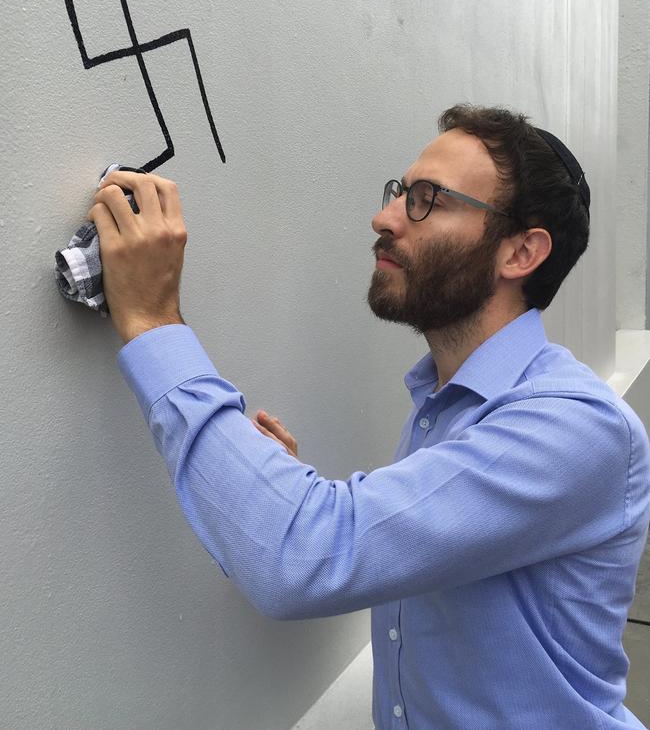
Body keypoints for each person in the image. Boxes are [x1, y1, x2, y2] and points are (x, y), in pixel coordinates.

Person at [87, 104, 650, 730]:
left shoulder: (575, 428)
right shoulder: (444, 405)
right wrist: (269, 493)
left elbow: (306, 557)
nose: (384, 218)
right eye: (400, 192)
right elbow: (361, 547)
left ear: (520, 252)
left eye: (427, 199)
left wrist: (152, 321)